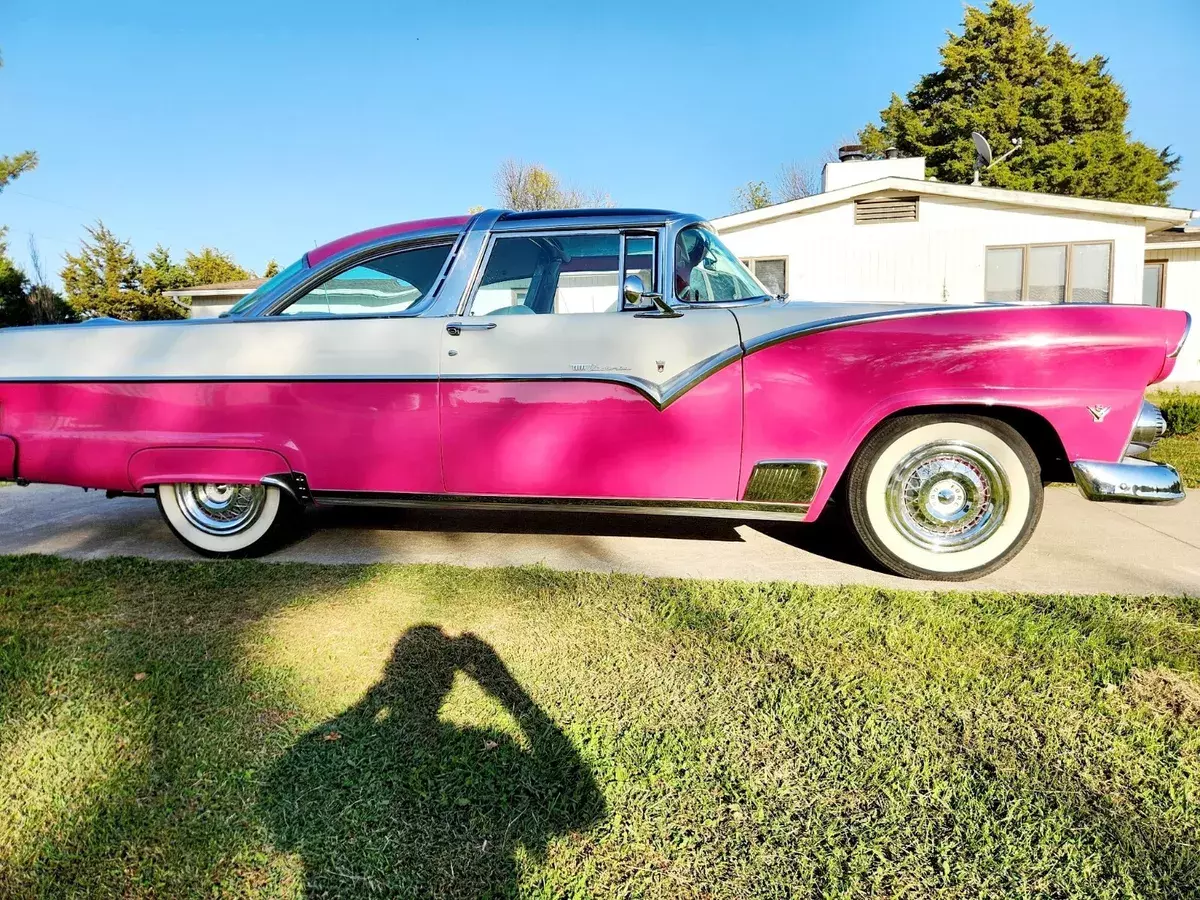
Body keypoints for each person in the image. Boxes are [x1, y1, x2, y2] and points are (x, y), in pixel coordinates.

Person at [262, 625, 605, 897]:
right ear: (447, 682)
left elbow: (281, 819)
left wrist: (371, 701)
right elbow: (585, 810)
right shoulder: (485, 749)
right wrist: (507, 692)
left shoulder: (316, 764)